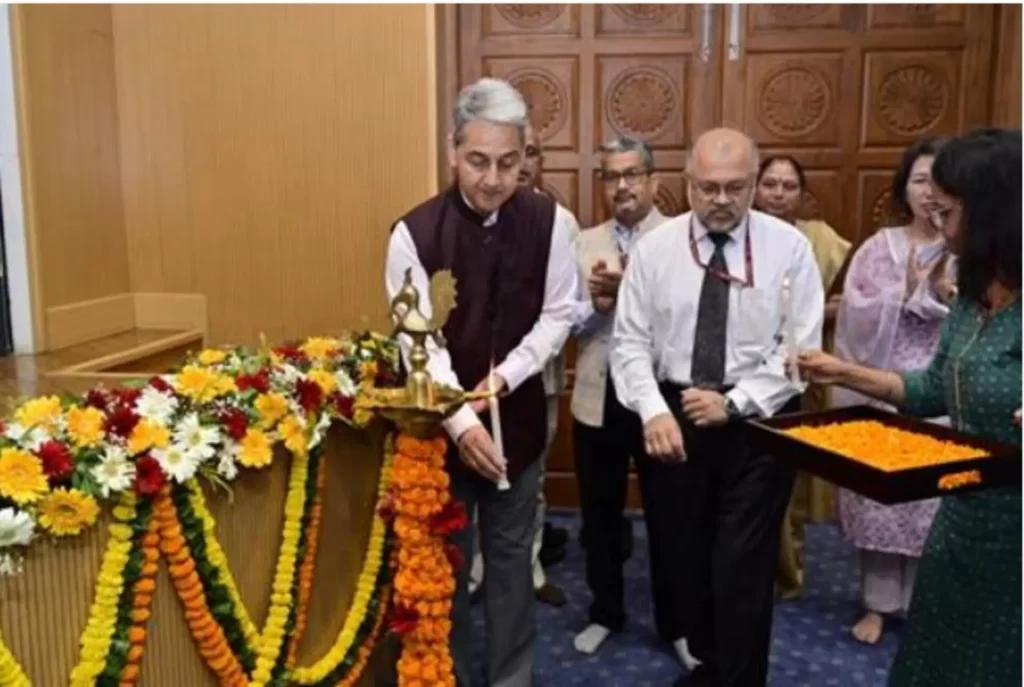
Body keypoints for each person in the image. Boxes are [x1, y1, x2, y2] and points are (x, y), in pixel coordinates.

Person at [798, 127, 1021, 687]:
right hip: (961, 523)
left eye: (948, 213)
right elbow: (930, 394)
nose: (940, 231)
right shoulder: (974, 299)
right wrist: (845, 372)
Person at [610, 128, 824, 687]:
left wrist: (734, 402)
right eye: (708, 187)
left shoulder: (788, 248)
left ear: (754, 184)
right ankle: (708, 665)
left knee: (742, 563)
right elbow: (629, 342)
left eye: (735, 187)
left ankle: (741, 678)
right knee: (685, 558)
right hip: (674, 415)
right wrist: (654, 412)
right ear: (687, 184)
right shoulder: (656, 251)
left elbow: (798, 350)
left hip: (759, 421)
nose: (722, 200)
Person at [384, 77, 578, 687]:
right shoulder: (413, 234)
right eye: (477, 161)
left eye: (508, 163)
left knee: (513, 567)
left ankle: (511, 680)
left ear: (525, 156)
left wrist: (506, 377)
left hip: (517, 429)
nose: (493, 179)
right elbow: (417, 343)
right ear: (451, 151)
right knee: (446, 567)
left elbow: (558, 315)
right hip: (440, 440)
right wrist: (464, 423)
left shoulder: (552, 222)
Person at [570, 137, 687, 659]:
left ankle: (677, 626)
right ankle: (606, 612)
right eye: (612, 176)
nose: (622, 186)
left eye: (632, 175)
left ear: (653, 180)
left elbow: (688, 323)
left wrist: (633, 295)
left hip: (659, 398)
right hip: (597, 394)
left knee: (670, 514)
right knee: (599, 513)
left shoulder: (680, 238)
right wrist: (597, 306)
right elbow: (566, 325)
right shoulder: (583, 241)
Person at [835, 137, 955, 644]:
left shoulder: (972, 247)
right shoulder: (876, 248)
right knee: (881, 504)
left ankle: (927, 605)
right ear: (905, 187)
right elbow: (853, 312)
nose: (930, 193)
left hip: (943, 394)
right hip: (882, 389)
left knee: (934, 504)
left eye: (939, 182)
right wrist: (901, 294)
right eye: (920, 179)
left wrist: (936, 295)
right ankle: (878, 605)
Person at [467, 122, 575, 607]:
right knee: (472, 480)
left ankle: (526, 567)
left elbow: (562, 309)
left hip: (537, 381)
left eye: (527, 154)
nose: (518, 165)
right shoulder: (459, 221)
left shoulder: (559, 222)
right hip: (470, 385)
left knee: (527, 481)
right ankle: (476, 574)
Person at [753, 154, 851, 599]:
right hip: (743, 371)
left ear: (801, 194)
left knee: (786, 483)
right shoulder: (737, 238)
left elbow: (851, 302)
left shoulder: (820, 241)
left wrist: (813, 311)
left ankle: (785, 573)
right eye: (769, 184)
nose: (777, 193)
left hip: (796, 375)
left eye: (787, 186)